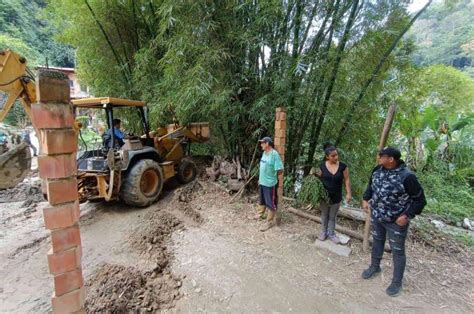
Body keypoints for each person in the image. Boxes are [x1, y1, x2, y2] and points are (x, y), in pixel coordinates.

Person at [361, 146, 426, 297]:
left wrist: (407, 216)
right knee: (377, 241)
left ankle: (397, 281)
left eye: (381, 155)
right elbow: (371, 186)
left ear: (391, 159)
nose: (378, 157)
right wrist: (365, 198)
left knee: (397, 251)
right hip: (377, 216)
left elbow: (420, 200)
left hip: (396, 221)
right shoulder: (377, 169)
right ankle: (375, 267)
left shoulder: (407, 176)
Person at [314, 143, 351, 244]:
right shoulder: (321, 166)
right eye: (333, 156)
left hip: (336, 196)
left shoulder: (343, 167)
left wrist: (348, 193)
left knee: (332, 216)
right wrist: (313, 174)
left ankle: (331, 234)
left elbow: (347, 180)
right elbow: (316, 179)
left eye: (336, 155)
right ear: (327, 157)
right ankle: (323, 232)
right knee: (324, 215)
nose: (335, 157)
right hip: (324, 196)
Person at [255, 136, 284, 232]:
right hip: (262, 182)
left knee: (270, 202)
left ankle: (269, 221)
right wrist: (261, 179)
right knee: (262, 199)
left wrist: (272, 178)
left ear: (267, 143)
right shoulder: (264, 153)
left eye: (262, 143)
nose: (261, 145)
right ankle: (259, 214)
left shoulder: (274, 154)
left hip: (270, 184)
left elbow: (280, 169)